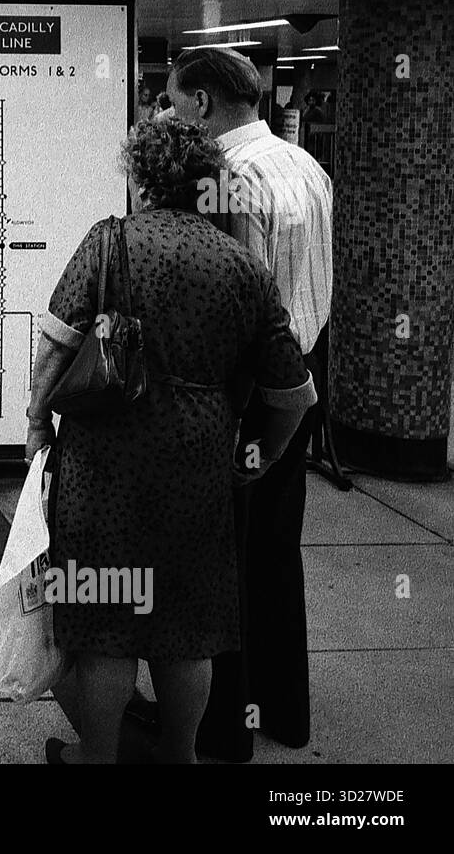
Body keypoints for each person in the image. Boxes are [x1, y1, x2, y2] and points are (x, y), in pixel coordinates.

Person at [27, 119, 317, 764]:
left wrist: (35, 421)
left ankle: (96, 757)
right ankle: (180, 757)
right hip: (198, 461)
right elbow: (293, 393)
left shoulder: (109, 242)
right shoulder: (241, 265)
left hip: (105, 462)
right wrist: (261, 456)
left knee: (107, 620)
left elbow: (57, 341)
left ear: (142, 178)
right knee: (185, 629)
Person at [166, 46, 333, 759]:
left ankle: (223, 721)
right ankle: (284, 713)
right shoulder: (305, 165)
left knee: (219, 557)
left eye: (176, 103)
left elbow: (235, 300)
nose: (174, 116)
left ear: (202, 103)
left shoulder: (228, 178)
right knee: (274, 549)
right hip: (303, 375)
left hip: (252, 388)